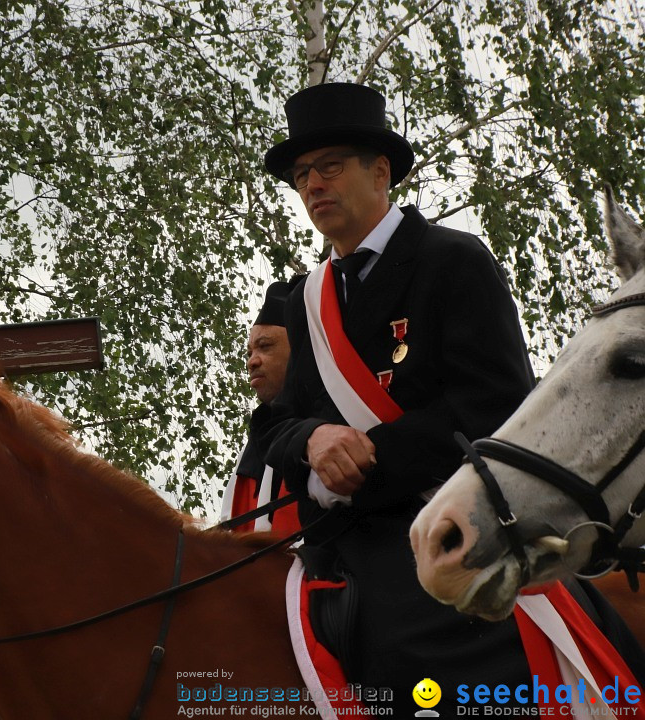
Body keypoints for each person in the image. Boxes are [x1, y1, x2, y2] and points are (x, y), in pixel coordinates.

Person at [252, 82, 644, 715]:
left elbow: (495, 405)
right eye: (302, 174)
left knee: (418, 658)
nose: (313, 185)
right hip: (334, 538)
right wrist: (314, 439)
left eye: (329, 167)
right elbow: (275, 423)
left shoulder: (451, 260)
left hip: (445, 515)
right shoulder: (305, 300)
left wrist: (370, 458)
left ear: (380, 173)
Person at [219, 277, 304, 535]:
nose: (252, 362)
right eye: (249, 352)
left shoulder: (337, 422)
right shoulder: (255, 444)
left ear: (301, 349)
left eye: (265, 346)